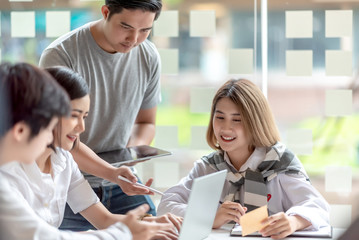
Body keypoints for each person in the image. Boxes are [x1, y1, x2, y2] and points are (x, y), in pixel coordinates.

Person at [0, 62, 160, 239]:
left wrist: (152, 224)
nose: (82, 128)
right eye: (48, 126)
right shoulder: (7, 177)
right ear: (21, 130)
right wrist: (124, 233)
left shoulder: (63, 160)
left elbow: (102, 219)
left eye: (84, 117)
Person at [39, 0, 163, 230]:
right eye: (126, 27)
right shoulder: (61, 55)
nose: (134, 39)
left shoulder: (148, 56)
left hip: (122, 181)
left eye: (145, 30)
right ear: (106, 12)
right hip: (69, 183)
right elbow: (58, 137)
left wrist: (129, 154)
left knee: (160, 231)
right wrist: (113, 172)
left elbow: (146, 122)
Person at [158, 79, 330, 239]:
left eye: (237, 120)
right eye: (220, 117)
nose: (226, 128)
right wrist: (210, 217)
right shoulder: (209, 167)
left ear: (255, 122)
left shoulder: (280, 163)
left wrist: (294, 221)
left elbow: (317, 206)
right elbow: (167, 204)